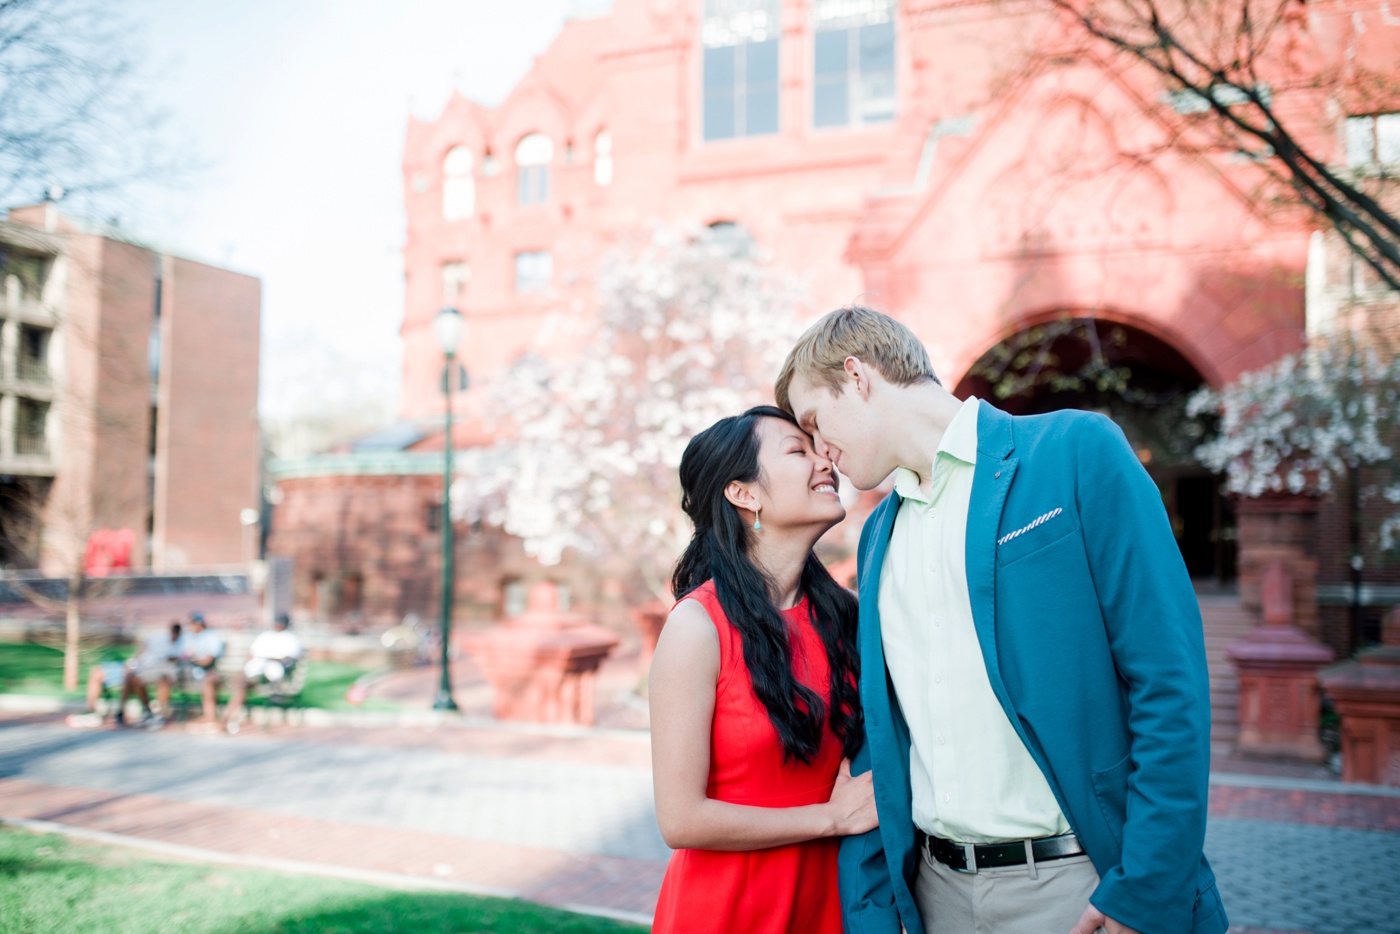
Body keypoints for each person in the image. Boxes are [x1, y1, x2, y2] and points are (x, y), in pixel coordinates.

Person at [776, 306, 1227, 934]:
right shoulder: (878, 534)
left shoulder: (1074, 452)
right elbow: (883, 733)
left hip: (1082, 888)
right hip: (934, 896)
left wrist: (1147, 886)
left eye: (815, 423)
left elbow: (1168, 680)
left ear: (857, 376)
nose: (822, 453)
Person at [649, 405, 877, 934]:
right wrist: (831, 818)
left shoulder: (850, 616)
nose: (825, 460)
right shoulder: (697, 626)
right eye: (798, 451)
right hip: (728, 908)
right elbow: (680, 818)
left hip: (832, 903)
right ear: (743, 493)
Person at [68, 621, 184, 729]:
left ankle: (121, 712)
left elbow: (173, 662)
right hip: (132, 666)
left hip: (141, 671)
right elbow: (142, 646)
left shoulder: (176, 647)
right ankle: (92, 710)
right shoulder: (158, 637)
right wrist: (136, 657)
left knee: (130, 677)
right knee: (97, 672)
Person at [223, 613, 303, 731]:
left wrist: (269, 658)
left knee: (244, 684)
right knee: (242, 682)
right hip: (257, 669)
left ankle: (227, 718)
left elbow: (288, 660)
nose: (277, 625)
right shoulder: (266, 636)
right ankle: (228, 718)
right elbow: (252, 654)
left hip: (274, 673)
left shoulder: (290, 638)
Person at [180, 612, 225, 728]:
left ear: (200, 624)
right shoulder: (189, 637)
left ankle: (209, 717)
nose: (191, 627)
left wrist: (194, 660)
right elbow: (183, 656)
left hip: (208, 671)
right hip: (188, 672)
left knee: (208, 680)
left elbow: (208, 660)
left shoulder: (211, 636)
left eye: (193, 624)